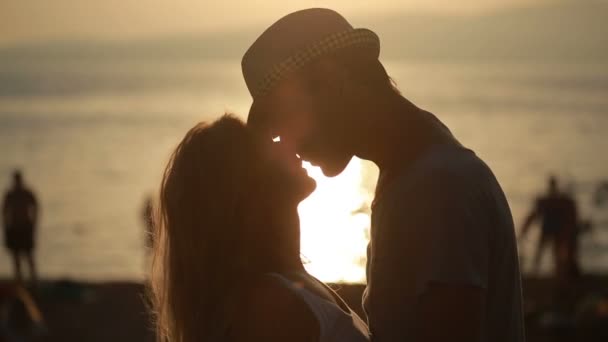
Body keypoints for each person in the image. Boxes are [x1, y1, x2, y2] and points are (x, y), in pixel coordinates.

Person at [242, 8, 524, 342]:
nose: (287, 142)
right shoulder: (416, 176)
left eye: (286, 117)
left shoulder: (436, 188)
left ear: (334, 82)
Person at [149, 115, 369, 342]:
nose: (285, 143)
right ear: (246, 183)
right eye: (266, 143)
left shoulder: (288, 286)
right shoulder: (270, 307)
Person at [520, 176, 567, 274]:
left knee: (556, 255)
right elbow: (534, 215)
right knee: (541, 253)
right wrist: (524, 229)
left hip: (555, 231)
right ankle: (536, 272)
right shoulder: (547, 200)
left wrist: (525, 229)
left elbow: (534, 215)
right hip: (548, 230)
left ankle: (557, 273)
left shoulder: (558, 200)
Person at [2, 170, 39, 285]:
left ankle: (33, 282)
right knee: (16, 258)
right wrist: (5, 227)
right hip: (14, 229)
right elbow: (4, 212)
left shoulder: (26, 193)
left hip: (25, 228)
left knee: (28, 256)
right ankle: (20, 283)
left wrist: (33, 223)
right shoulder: (10, 194)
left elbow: (36, 207)